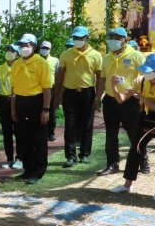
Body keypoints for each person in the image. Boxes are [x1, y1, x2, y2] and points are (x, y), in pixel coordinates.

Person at [110, 53, 155, 202]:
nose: (146, 73)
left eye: (150, 70)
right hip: (147, 118)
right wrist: (113, 86)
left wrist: (141, 98)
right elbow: (121, 99)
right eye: (145, 70)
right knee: (136, 148)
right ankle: (127, 184)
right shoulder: (140, 81)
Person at [95, 27, 147, 176]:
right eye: (111, 37)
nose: (113, 40)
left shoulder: (136, 55)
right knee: (111, 134)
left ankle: (142, 161)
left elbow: (144, 76)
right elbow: (102, 79)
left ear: (125, 39)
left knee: (134, 133)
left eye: (117, 37)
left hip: (130, 100)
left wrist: (131, 89)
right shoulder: (105, 58)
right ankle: (112, 164)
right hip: (111, 100)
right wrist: (98, 97)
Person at [54, 26, 103, 168]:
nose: (77, 41)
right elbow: (60, 75)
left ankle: (85, 154)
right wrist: (57, 96)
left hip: (88, 93)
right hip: (70, 93)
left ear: (86, 38)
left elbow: (100, 77)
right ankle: (70, 156)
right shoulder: (66, 54)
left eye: (80, 38)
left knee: (87, 124)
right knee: (70, 125)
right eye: (75, 38)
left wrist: (98, 97)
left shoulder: (95, 55)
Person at [10, 33, 52, 184]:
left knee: (38, 138)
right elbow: (13, 90)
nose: (23, 48)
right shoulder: (16, 64)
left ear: (33, 47)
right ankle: (27, 170)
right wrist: (13, 109)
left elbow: (47, 88)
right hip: (21, 102)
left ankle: (38, 171)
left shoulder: (41, 63)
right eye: (21, 46)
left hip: (37, 102)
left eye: (26, 46)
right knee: (23, 137)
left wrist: (46, 109)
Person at [0, 44, 22, 169]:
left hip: (18, 100)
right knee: (7, 131)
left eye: (12, 50)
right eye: (8, 50)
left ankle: (20, 158)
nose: (9, 52)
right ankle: (10, 158)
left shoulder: (21, 66)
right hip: (4, 101)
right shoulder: (0, 68)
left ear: (17, 54)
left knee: (19, 131)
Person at [39, 40, 60, 141]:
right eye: (43, 48)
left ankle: (51, 133)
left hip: (50, 89)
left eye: (47, 48)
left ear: (50, 49)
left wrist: (57, 91)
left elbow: (57, 75)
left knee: (51, 113)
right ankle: (41, 132)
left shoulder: (55, 60)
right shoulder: (36, 59)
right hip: (38, 90)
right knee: (39, 111)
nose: (44, 50)